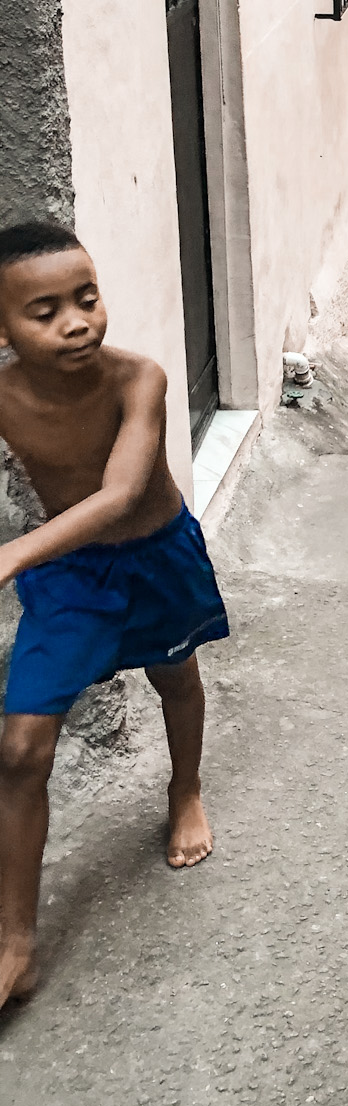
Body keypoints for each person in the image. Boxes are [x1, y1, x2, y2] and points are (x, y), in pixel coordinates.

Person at [0, 221, 229, 1011]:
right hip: (71, 579)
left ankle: (186, 787)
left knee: (174, 677)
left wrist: (14, 553)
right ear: (3, 327)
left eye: (86, 299)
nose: (74, 321)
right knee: (22, 747)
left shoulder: (141, 379)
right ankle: (16, 944)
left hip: (154, 556)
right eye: (44, 311)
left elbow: (122, 493)